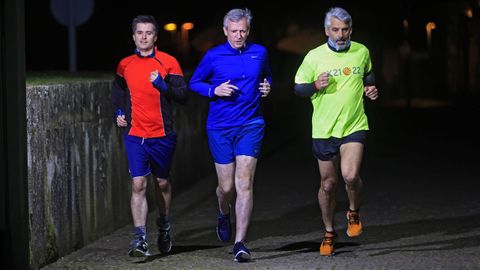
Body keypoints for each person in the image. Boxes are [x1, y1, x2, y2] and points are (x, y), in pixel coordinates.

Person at [294, 7, 379, 256]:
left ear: (350, 30)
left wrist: (370, 89)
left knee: (350, 176)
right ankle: (329, 231)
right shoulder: (313, 56)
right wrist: (314, 85)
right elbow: (298, 88)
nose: (340, 34)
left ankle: (353, 211)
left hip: (354, 124)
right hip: (323, 129)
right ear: (326, 31)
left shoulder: (361, 51)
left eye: (344, 30)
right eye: (335, 30)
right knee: (328, 185)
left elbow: (369, 74)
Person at [189, 8, 272, 262]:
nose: (239, 36)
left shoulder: (260, 52)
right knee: (226, 187)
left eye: (243, 31)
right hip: (220, 127)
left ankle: (240, 243)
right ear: (225, 31)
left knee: (244, 182)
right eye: (234, 31)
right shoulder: (213, 56)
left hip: (251, 123)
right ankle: (223, 211)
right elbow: (195, 82)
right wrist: (215, 90)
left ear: (248, 30)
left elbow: (267, 75)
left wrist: (268, 87)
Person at [112, 15, 188, 257]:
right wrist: (119, 111)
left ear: (155, 37)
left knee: (162, 182)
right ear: (133, 36)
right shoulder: (125, 64)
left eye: (148, 33)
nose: (144, 37)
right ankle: (140, 239)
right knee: (138, 183)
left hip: (162, 135)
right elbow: (118, 89)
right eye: (139, 33)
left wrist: (162, 86)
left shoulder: (168, 62)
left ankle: (164, 224)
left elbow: (183, 94)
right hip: (135, 134)